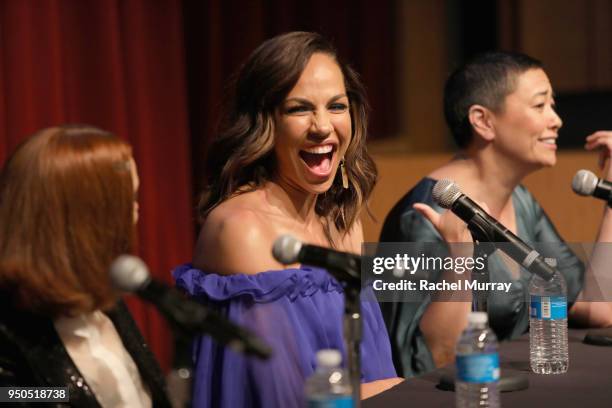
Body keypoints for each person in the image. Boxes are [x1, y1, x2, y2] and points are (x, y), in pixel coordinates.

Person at [173, 32, 400, 408]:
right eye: (299, 109)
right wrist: (400, 389)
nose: (322, 126)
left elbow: (371, 366)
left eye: (337, 106)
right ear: (265, 123)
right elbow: (283, 397)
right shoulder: (242, 229)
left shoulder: (342, 222)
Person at [379, 51, 612, 377]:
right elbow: (423, 361)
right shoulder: (419, 220)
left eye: (553, 105)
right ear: (483, 121)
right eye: (539, 105)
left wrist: (611, 194)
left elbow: (596, 307)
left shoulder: (521, 202)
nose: (556, 119)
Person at [0, 125, 171, 407]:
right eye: (128, 202)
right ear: (84, 217)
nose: (136, 214)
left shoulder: (103, 299)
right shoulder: (10, 327)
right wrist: (69, 393)